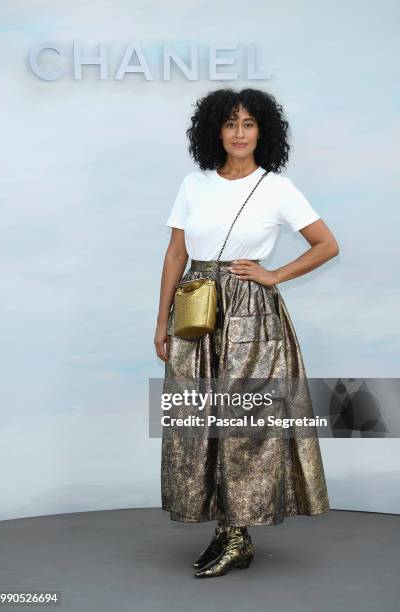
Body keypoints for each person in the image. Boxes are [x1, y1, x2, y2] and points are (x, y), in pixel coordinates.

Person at [154, 87, 339, 579]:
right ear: (215, 129)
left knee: (243, 421)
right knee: (196, 419)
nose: (239, 133)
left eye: (249, 124)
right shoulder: (193, 184)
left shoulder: (276, 187)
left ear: (263, 132)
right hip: (195, 309)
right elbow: (176, 254)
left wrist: (273, 275)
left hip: (250, 314)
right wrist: (161, 321)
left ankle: (239, 535)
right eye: (231, 123)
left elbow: (326, 244)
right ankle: (223, 525)